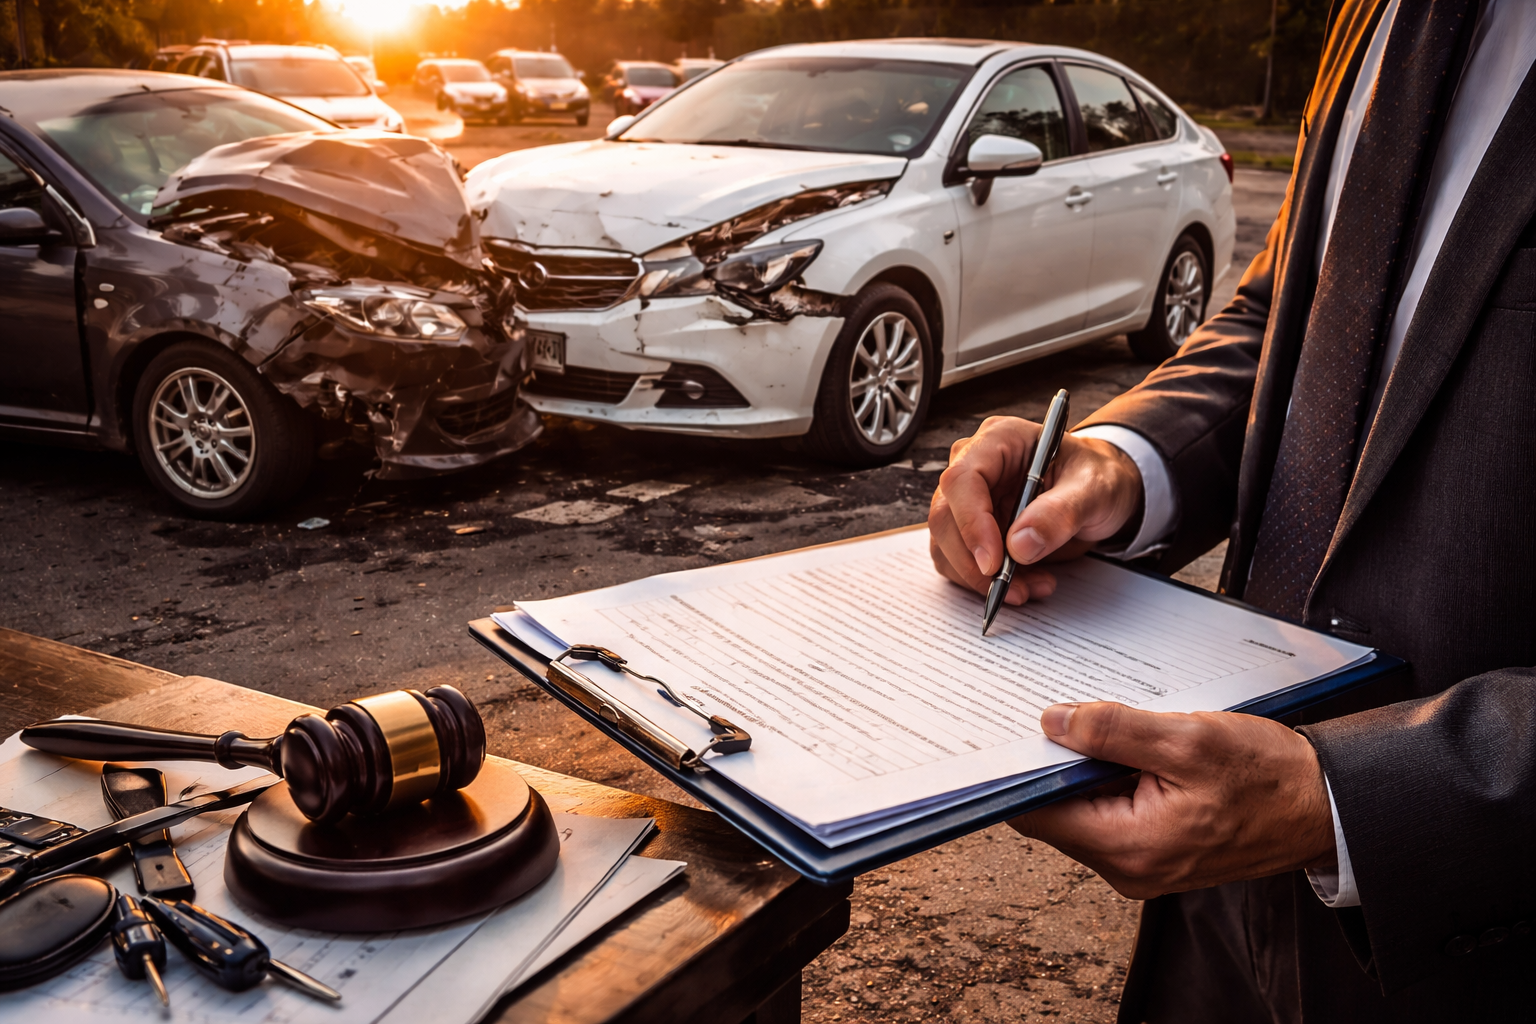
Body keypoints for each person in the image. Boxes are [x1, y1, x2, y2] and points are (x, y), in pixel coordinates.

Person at [927, 0, 1536, 1020]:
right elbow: (1295, 308)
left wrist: (1343, 800)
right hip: (1213, 911)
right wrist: (1117, 462)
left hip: (1470, 941)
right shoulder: (1376, 16)